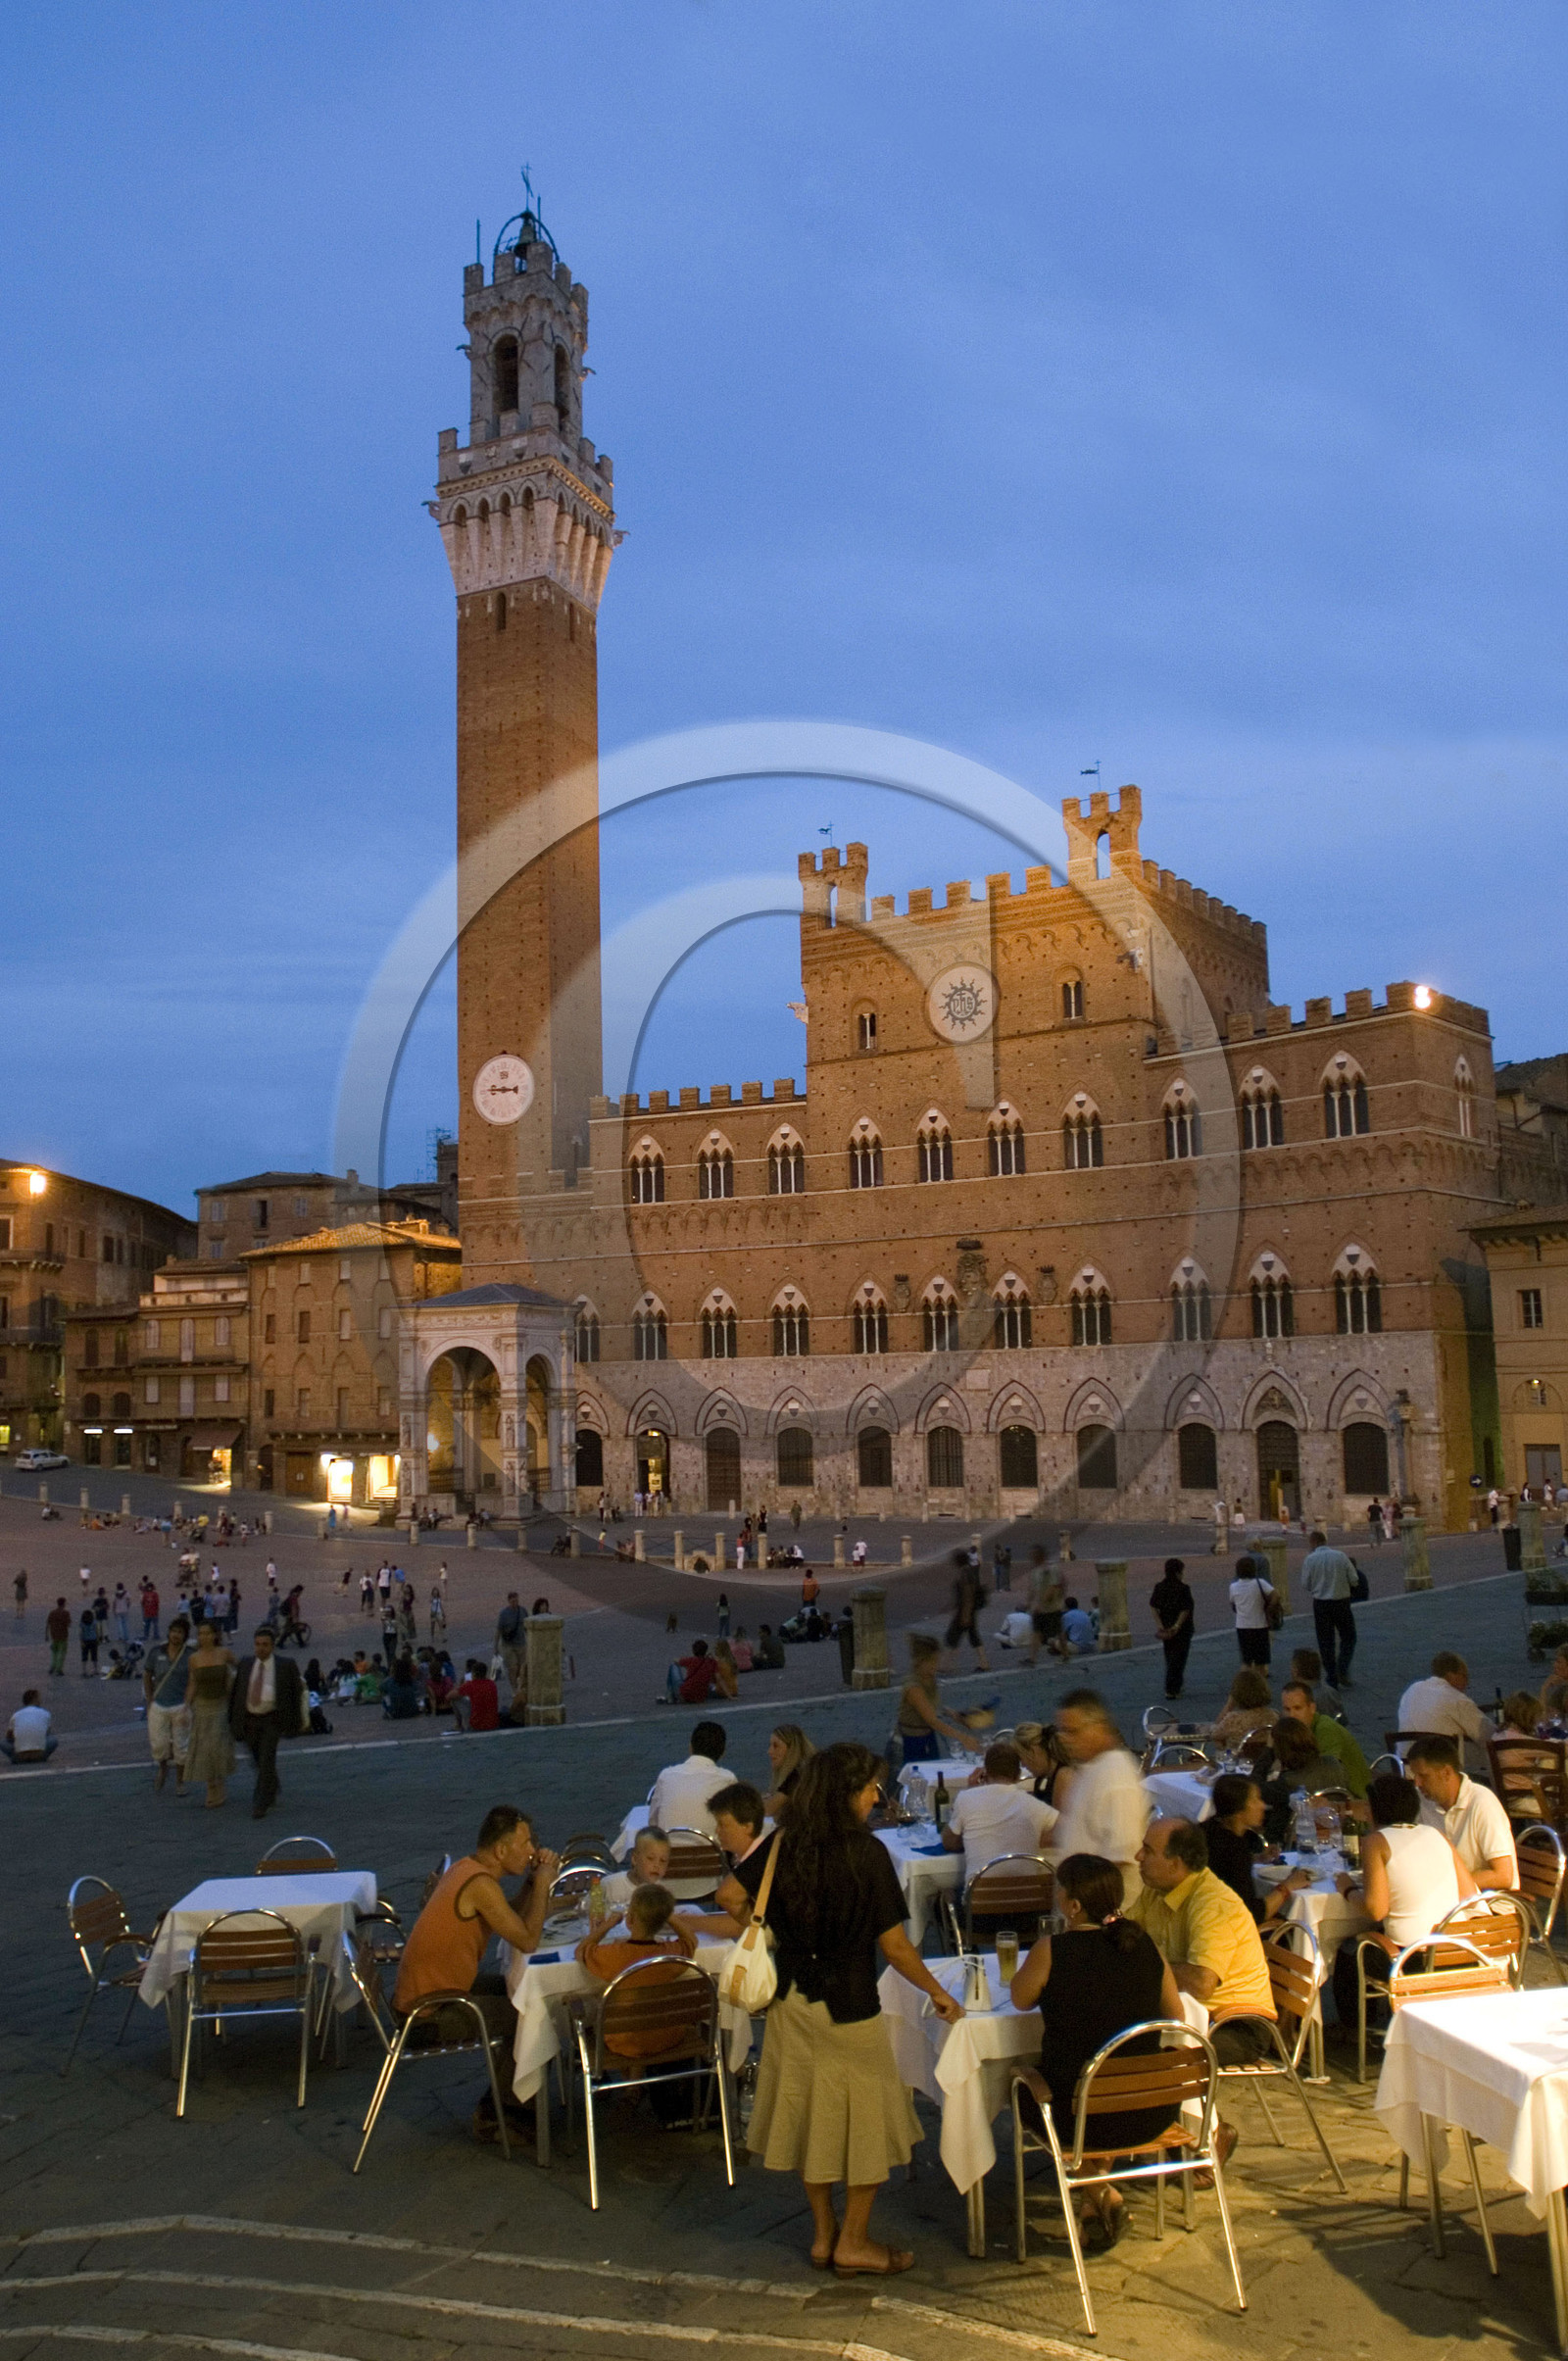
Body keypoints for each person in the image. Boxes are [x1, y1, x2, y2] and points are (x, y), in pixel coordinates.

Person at [734, 1741, 962, 2274]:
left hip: (791, 1999)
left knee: (808, 2117)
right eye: (870, 1789)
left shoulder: (782, 1842)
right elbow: (896, 1947)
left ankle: (823, 2236)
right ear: (848, 1793)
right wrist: (938, 1991)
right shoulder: (866, 1853)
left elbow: (728, 1895)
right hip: (851, 2002)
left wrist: (773, 1929)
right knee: (867, 2125)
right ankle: (854, 2240)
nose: (875, 1798)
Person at [1009, 1851, 1184, 2245]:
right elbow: (1176, 2016)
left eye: (1060, 1890)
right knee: (1105, 2083)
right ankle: (1094, 2202)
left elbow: (1020, 1999)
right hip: (1149, 2110)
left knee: (1028, 2088)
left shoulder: (1052, 1950)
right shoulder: (1145, 1945)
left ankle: (1101, 2192)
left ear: (1073, 1906)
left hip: (1077, 2116)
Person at [393, 1803, 560, 2143]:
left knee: (523, 1996)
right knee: (532, 2014)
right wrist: (543, 1883)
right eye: (526, 1843)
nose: (532, 1850)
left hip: (426, 1998)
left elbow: (509, 1919)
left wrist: (531, 1883)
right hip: (427, 2015)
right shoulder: (480, 1884)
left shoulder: (466, 1868)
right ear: (501, 1851)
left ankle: (502, 2105)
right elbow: (528, 1940)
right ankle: (503, 2117)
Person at [1129, 1817, 1276, 2117]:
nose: (1138, 1856)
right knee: (1118, 2038)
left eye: (1148, 1850)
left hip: (1236, 2025)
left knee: (1143, 2054)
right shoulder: (1157, 1889)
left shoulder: (1213, 1904)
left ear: (1176, 1863)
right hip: (1185, 2013)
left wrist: (1145, 1964)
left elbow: (1201, 1983)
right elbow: (1126, 1935)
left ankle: (1202, 2134)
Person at [1329, 1773, 1476, 2029]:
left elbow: (1376, 1909)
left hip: (1410, 1957)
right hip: (1456, 1950)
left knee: (1349, 1950)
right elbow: (1469, 1893)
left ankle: (1357, 2030)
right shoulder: (1437, 1835)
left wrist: (1347, 1889)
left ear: (1375, 1810)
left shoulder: (1376, 1842)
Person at [1049, 1692, 1149, 1900]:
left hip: (1100, 1906)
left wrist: (1085, 1905)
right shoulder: (1092, 1767)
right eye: (1062, 1732)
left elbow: (1122, 1854)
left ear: (1099, 1728)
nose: (1065, 1739)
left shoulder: (1115, 1775)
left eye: (1072, 1731)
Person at [1404, 1736, 1518, 1890]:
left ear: (1446, 1772)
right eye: (1415, 1776)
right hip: (1448, 1895)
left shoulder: (1482, 1802)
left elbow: (1503, 1876)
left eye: (1423, 1776)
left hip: (1489, 1899)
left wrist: (1444, 1886)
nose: (1417, 1783)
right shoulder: (1422, 1800)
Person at [943, 1742, 1057, 1887]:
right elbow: (1067, 1831)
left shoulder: (966, 1798)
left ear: (985, 1773)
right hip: (1028, 1897)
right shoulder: (1034, 1805)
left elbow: (949, 1843)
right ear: (1018, 1775)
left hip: (980, 1897)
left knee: (950, 1890)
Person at [1203, 1773, 1314, 1924]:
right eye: (1256, 1800)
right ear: (1239, 1809)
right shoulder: (1235, 1849)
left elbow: (1222, 1867)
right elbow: (1250, 1914)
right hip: (1223, 1927)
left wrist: (1257, 1858)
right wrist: (1289, 1885)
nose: (1262, 1805)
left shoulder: (1207, 1830)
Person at [227, 1626, 308, 1819]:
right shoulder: (246, 1664)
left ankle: (260, 1802)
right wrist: (233, 1719)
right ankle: (271, 1784)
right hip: (249, 1719)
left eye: (265, 1645)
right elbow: (237, 1692)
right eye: (257, 1644)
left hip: (272, 1720)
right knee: (257, 1758)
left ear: (272, 1646)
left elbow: (295, 1693)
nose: (260, 1648)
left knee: (266, 1759)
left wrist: (295, 1721)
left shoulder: (285, 1665)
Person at [1249, 1718, 1345, 1845]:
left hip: (1294, 1841)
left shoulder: (1289, 1782)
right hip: (1336, 1833)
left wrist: (1269, 1750)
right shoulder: (1333, 1763)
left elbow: (1253, 1789)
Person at [1277, 1679, 1369, 1798]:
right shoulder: (1300, 1731)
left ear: (1312, 1708)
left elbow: (1325, 1775)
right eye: (1287, 1709)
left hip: (1351, 1798)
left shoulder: (1325, 1729)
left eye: (1298, 1708)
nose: (1291, 1715)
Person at [1396, 1651, 1492, 1765]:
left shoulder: (1412, 1689)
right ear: (1451, 1675)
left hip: (1406, 1767)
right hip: (1440, 1769)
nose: (1467, 1683)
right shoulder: (1456, 1698)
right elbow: (1487, 1734)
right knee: (1493, 1752)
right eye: (1464, 1676)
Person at [894, 1633, 976, 1761]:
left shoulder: (929, 1677)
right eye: (932, 1661)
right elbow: (932, 1720)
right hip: (911, 1740)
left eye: (937, 1660)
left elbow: (929, 1705)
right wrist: (963, 1738)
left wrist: (951, 1713)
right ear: (920, 1661)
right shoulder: (913, 1687)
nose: (936, 1665)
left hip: (927, 1736)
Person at [184, 1614, 237, 1808]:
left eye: (207, 1633)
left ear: (215, 1635)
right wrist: (185, 1707)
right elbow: (193, 1683)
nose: (204, 1637)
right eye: (200, 1634)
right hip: (201, 1707)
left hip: (221, 1705)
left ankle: (219, 1783)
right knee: (205, 1749)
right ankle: (210, 1785)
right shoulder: (194, 1658)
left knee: (218, 1747)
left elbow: (240, 1670)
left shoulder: (224, 1653)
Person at [1298, 1530, 1359, 1688]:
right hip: (1341, 1602)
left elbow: (1305, 1584)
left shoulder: (1310, 1559)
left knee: (1325, 1641)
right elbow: (1354, 1579)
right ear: (1325, 1541)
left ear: (1313, 1542)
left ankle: (1331, 1676)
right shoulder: (1340, 1556)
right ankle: (1342, 1668)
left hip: (1321, 1604)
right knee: (1349, 1637)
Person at [650, 1720, 731, 1836]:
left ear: (690, 1747)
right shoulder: (727, 1779)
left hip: (668, 1846)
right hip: (712, 1846)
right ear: (723, 1752)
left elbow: (653, 1822)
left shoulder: (666, 1775)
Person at [143, 1615, 193, 1794]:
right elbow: (147, 1675)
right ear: (169, 1632)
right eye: (173, 1631)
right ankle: (163, 1768)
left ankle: (180, 1781)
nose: (176, 1635)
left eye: (180, 1632)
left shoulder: (190, 1655)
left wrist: (188, 1703)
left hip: (181, 1705)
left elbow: (193, 1681)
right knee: (158, 1744)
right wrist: (149, 1700)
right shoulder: (157, 1652)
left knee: (181, 1746)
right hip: (159, 1704)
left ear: (185, 1635)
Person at [1150, 1558, 1195, 1698]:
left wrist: (1159, 1624)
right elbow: (1185, 1609)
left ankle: (1175, 1686)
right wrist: (1177, 1625)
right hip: (1182, 1629)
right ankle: (1172, 1689)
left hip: (1165, 1627)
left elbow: (1153, 1606)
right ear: (1177, 1573)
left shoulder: (1159, 1587)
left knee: (1169, 1656)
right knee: (1179, 1658)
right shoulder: (1183, 1588)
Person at [602, 1825, 672, 1913]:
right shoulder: (609, 1885)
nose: (657, 1865)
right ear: (635, 1859)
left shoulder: (663, 1892)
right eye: (650, 1858)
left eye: (663, 1860)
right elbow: (589, 1913)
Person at [1228, 1552, 1278, 1667]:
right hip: (1260, 1625)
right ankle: (1260, 1678)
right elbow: (1275, 1595)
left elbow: (1232, 1603)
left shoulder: (1233, 1586)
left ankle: (1246, 1677)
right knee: (1261, 1662)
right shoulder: (1260, 1583)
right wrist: (1270, 1607)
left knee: (1246, 1661)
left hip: (1242, 1626)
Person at [946, 1551, 991, 1671]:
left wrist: (965, 1614)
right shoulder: (969, 1571)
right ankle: (983, 1662)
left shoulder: (965, 1573)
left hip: (965, 1610)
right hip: (969, 1609)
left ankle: (948, 1664)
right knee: (972, 1636)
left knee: (952, 1636)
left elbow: (968, 1595)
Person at [1211, 1666, 1276, 1750]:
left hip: (1240, 1757)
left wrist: (1228, 1705)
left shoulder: (1233, 1720)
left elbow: (1214, 1734)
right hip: (1267, 1757)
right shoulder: (1274, 1716)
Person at [1014, 1721, 1072, 1807]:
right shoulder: (1044, 1779)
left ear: (1033, 1752)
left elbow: (1059, 1814)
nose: (1022, 1765)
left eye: (1022, 1758)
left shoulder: (1064, 1776)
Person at [1026, 1547, 1066, 1666]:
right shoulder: (1035, 1571)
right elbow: (1033, 1589)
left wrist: (1041, 1603)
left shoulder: (1051, 1569)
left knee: (1059, 1631)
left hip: (1052, 1607)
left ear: (1040, 1556)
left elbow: (1053, 1587)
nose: (1032, 1558)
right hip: (1042, 1608)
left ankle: (1065, 1654)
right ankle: (1032, 1659)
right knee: (1037, 1632)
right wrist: (1028, 1603)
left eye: (1034, 1555)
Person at [764, 1723, 815, 1817]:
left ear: (792, 1749)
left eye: (776, 1746)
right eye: (770, 1745)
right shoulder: (801, 1772)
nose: (769, 1751)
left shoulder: (799, 1775)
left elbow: (768, 1809)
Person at [3, 1690, 56, 1765]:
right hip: (39, 1753)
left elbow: (9, 1736)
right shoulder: (45, 1713)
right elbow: (46, 1733)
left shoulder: (16, 1715)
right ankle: (41, 1757)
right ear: (35, 1699)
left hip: (20, 1755)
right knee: (53, 1740)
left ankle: (16, 1758)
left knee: (3, 1743)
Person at [666, 1637, 721, 1706]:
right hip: (700, 1698)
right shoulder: (712, 1662)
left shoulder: (691, 1660)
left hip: (685, 1694)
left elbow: (676, 1660)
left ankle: (670, 1696)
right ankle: (671, 1696)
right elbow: (719, 1678)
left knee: (673, 1666)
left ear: (694, 1650)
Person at [454, 1656, 500, 1733]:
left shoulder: (470, 1684)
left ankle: (459, 1724)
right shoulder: (491, 1684)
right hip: (493, 1723)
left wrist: (459, 1688)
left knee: (455, 1700)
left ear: (474, 1673)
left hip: (477, 1725)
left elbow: (449, 1696)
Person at [495, 1593, 525, 1701]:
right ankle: (514, 1689)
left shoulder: (523, 1611)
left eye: (516, 1601)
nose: (515, 1603)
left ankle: (520, 1686)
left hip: (521, 1644)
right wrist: (495, 1646)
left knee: (521, 1668)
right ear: (509, 1601)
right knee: (513, 1668)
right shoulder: (504, 1613)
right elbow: (498, 1630)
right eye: (513, 1601)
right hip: (508, 1645)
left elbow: (527, 1626)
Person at [382, 1653, 422, 1719]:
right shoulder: (411, 1680)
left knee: (385, 1696)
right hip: (412, 1711)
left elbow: (381, 1688)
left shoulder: (389, 1681)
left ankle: (389, 1711)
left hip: (396, 1713)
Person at [45, 1597, 71, 1678]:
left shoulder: (52, 1612)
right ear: (64, 1604)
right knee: (62, 1653)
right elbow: (68, 1624)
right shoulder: (66, 1613)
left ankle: (53, 1666)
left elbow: (48, 1624)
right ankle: (59, 1669)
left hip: (54, 1635)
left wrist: (46, 1635)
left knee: (54, 1653)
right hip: (63, 1635)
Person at [78, 1602, 100, 1678]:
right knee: (94, 1655)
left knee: (84, 1656)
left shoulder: (82, 1623)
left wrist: (81, 1641)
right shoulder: (94, 1622)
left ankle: (84, 1670)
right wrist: (98, 1639)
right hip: (93, 1640)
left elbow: (80, 1633)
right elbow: (97, 1631)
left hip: (85, 1641)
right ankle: (95, 1669)